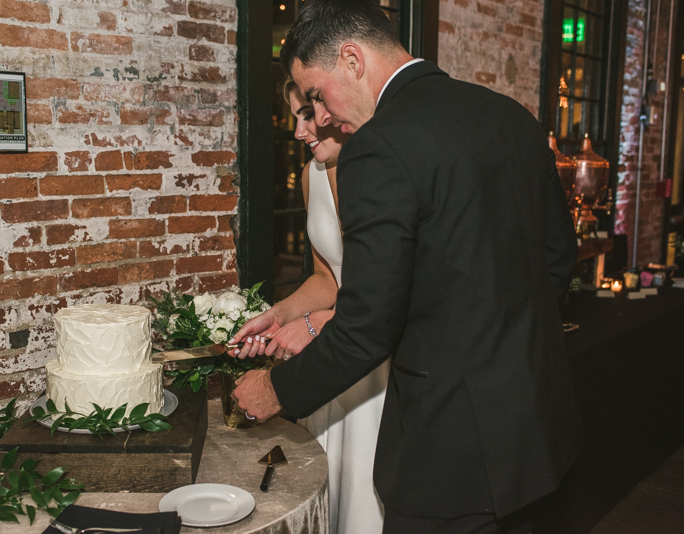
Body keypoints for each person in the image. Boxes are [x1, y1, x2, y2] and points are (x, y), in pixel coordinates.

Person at [233, 1, 579, 533]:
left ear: (352, 59)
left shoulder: (378, 147)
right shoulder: (514, 117)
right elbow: (556, 263)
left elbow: (367, 327)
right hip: (535, 429)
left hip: (448, 449)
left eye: (319, 96)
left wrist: (274, 390)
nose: (321, 117)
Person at [231, 78, 386, 534]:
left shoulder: (379, 176)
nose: (301, 131)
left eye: (306, 114)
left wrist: (317, 326)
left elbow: (389, 292)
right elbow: (327, 277)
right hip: (331, 363)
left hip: (375, 359)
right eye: (296, 117)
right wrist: (280, 315)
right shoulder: (310, 176)